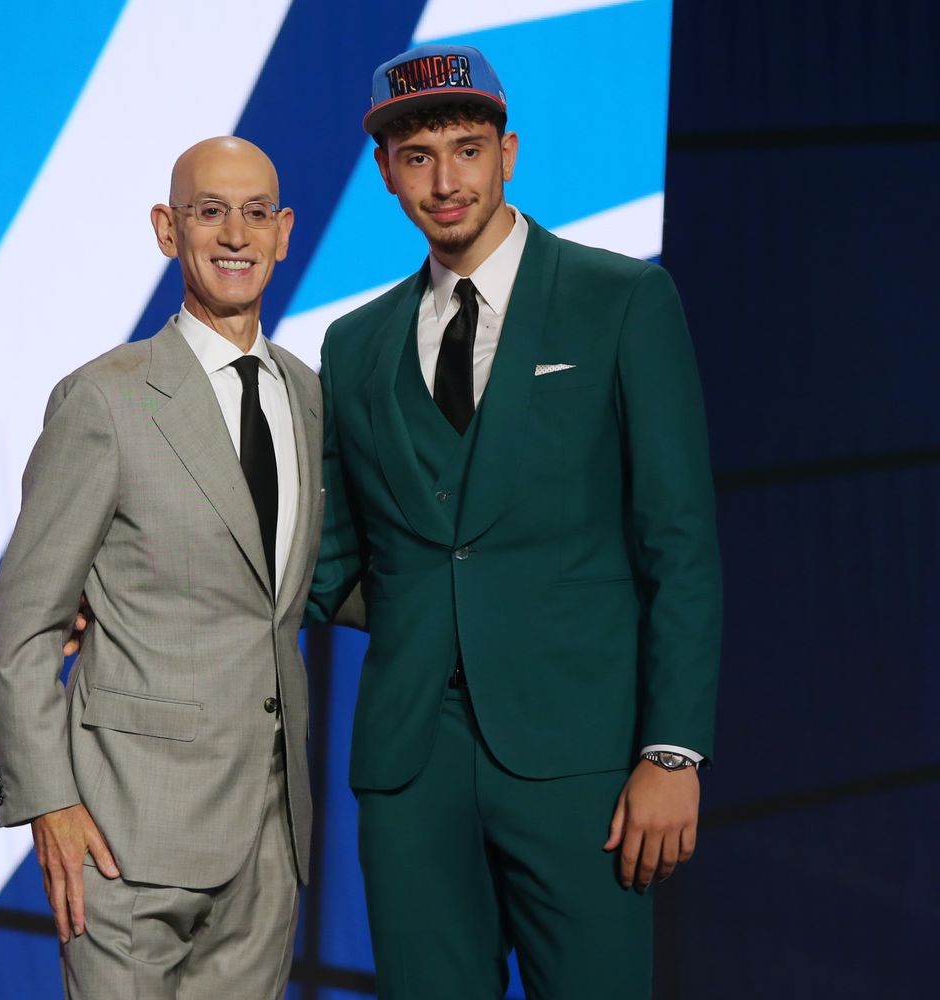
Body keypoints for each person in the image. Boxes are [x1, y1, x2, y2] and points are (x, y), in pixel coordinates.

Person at [305, 45, 723, 997]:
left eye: (466, 149)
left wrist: (672, 751)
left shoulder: (621, 301)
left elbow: (680, 545)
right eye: (418, 157)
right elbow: (327, 560)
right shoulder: (355, 343)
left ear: (509, 154)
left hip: (583, 762)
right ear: (385, 173)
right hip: (413, 769)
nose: (446, 180)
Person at [0, 136, 322, 999]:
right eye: (210, 211)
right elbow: (26, 625)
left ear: (284, 233)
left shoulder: (309, 395)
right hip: (124, 835)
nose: (236, 234)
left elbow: (299, 581)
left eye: (256, 213)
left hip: (268, 843)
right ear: (168, 231)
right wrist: (48, 803)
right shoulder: (104, 398)